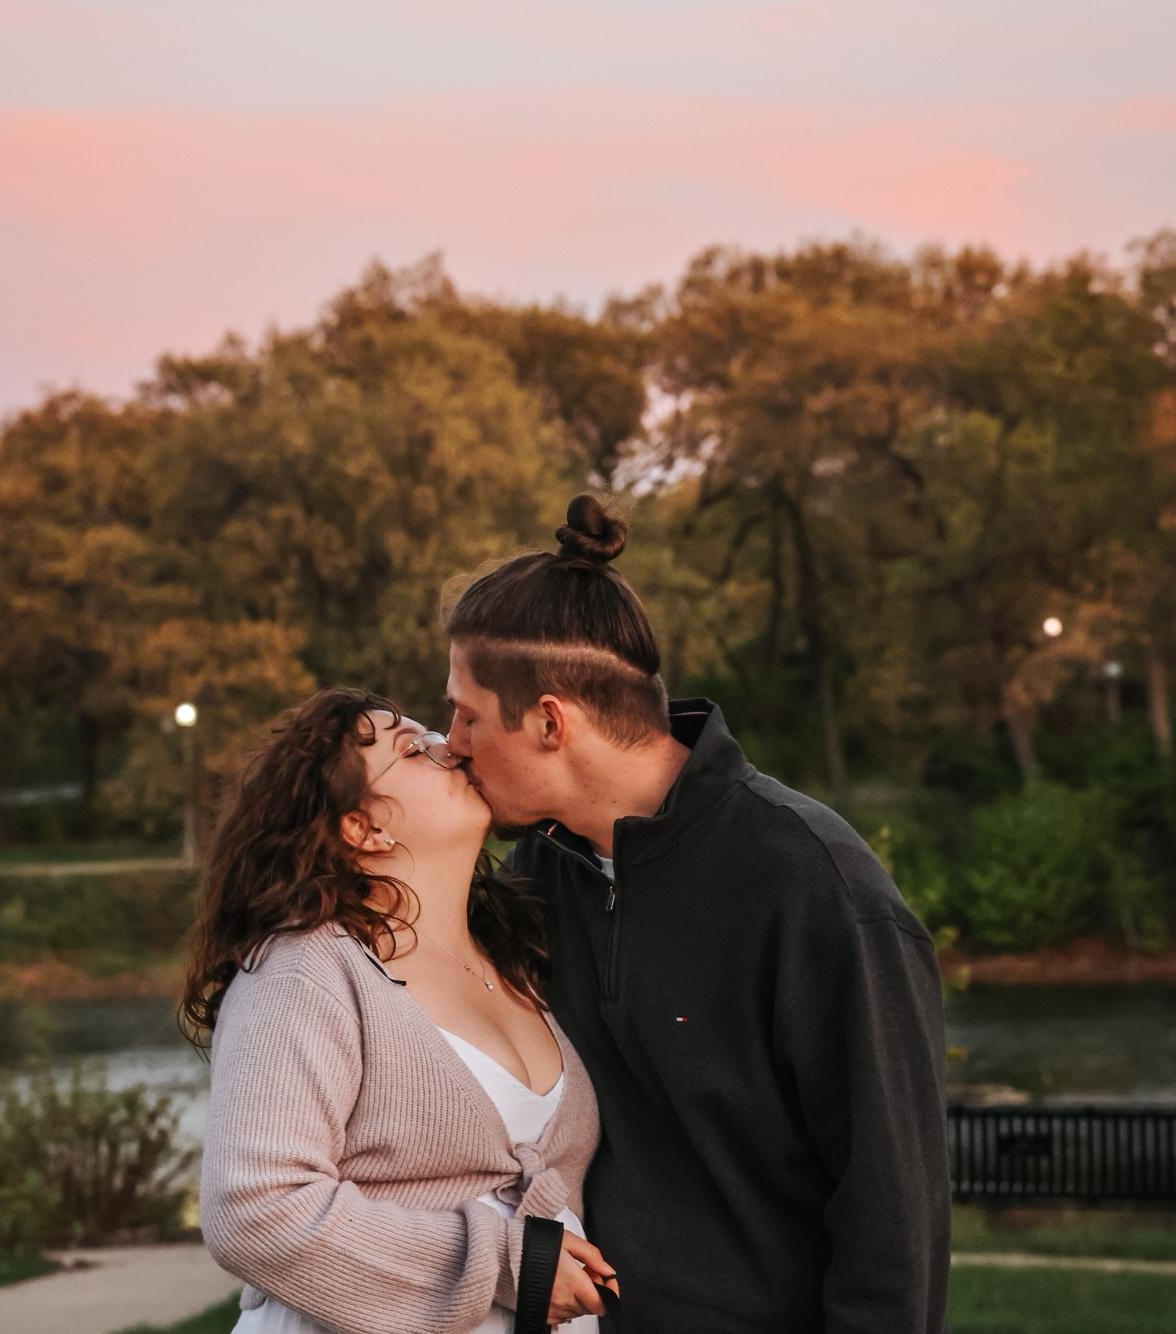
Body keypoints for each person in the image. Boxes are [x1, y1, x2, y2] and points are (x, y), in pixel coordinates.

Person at [443, 496, 951, 1333]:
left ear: (548, 722)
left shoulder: (813, 889)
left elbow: (895, 1219)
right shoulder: (536, 875)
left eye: (466, 714)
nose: (451, 742)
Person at [184, 686, 620, 1333]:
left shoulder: (515, 954)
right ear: (362, 827)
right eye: (414, 750)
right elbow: (255, 1208)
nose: (452, 748)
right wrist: (509, 1263)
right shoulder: (306, 968)